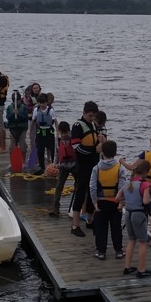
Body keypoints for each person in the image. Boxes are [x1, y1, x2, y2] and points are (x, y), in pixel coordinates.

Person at [115, 159, 151, 278]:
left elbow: (117, 198)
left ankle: (127, 267)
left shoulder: (127, 183)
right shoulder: (145, 184)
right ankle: (141, 270)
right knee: (142, 242)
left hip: (128, 214)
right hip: (139, 215)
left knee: (131, 240)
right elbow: (145, 201)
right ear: (145, 172)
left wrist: (127, 201)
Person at [89, 140, 126, 261]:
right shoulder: (119, 168)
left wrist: (94, 203)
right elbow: (122, 187)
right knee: (116, 227)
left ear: (102, 153)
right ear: (115, 153)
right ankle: (119, 251)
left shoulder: (96, 168)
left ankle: (101, 251)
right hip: (115, 203)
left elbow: (93, 187)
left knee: (100, 227)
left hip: (101, 202)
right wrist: (121, 203)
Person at [69, 101, 100, 237]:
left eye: (94, 116)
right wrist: (94, 150)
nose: (92, 118)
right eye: (90, 116)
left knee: (93, 192)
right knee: (81, 193)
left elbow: (96, 143)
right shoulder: (77, 126)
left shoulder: (93, 125)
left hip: (94, 165)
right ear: (84, 113)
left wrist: (101, 142)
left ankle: (90, 220)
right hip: (83, 165)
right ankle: (75, 225)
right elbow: (77, 147)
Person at [49, 121, 76, 217]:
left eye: (66, 133)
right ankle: (55, 207)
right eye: (62, 133)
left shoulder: (74, 138)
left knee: (79, 185)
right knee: (59, 186)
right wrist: (55, 163)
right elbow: (57, 152)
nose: (64, 135)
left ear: (69, 131)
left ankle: (77, 207)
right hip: (63, 166)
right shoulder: (58, 139)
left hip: (74, 165)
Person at [32, 92, 56, 174]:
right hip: (40, 131)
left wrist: (58, 132)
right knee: (40, 149)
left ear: (47, 102)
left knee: (52, 148)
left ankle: (53, 165)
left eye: (44, 103)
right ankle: (42, 167)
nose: (42, 105)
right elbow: (33, 121)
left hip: (49, 131)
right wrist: (30, 131)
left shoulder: (51, 110)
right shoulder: (36, 110)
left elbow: (55, 121)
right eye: (40, 103)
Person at [5, 90, 29, 157]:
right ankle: (12, 162)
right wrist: (13, 114)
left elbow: (25, 118)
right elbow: (8, 117)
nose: (16, 103)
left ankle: (23, 161)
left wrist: (18, 114)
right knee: (12, 147)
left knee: (22, 147)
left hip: (21, 129)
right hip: (13, 129)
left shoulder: (23, 107)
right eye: (15, 101)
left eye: (18, 101)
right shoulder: (9, 108)